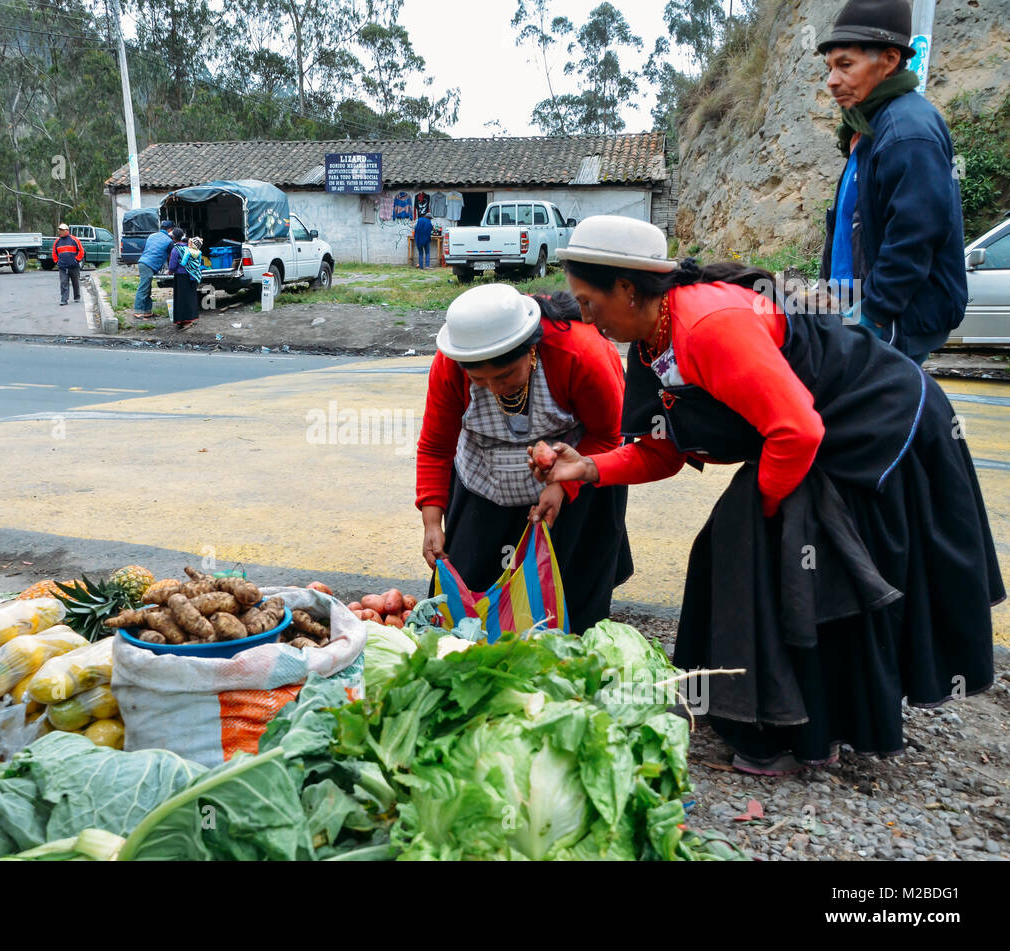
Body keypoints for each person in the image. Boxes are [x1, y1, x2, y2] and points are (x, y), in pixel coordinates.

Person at [533, 214, 1002, 775]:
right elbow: (663, 450)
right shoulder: (648, 345)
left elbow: (796, 430)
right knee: (739, 549)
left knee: (774, 554)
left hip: (879, 423)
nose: (583, 316)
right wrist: (587, 467)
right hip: (813, 432)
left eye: (588, 302)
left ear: (629, 290)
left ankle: (798, 734)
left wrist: (772, 510)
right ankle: (780, 719)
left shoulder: (708, 325)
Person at [418, 283, 633, 636]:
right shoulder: (449, 365)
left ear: (531, 352)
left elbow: (609, 436)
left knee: (567, 608)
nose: (494, 387)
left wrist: (564, 485)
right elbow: (436, 445)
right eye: (479, 379)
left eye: (505, 376)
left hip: (575, 476)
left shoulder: (579, 353)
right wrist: (431, 521)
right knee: (470, 608)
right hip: (484, 483)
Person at [817, 0, 967, 363]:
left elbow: (914, 237)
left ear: (888, 61)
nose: (832, 81)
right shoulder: (868, 127)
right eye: (829, 68)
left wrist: (874, 315)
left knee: (875, 416)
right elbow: (852, 226)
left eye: (845, 65)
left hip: (892, 318)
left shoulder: (907, 131)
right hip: (857, 306)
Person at [134, 219, 175, 319]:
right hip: (149, 265)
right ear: (170, 230)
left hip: (143, 262)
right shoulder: (169, 241)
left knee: (147, 288)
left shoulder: (152, 236)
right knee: (144, 288)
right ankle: (138, 311)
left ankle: (147, 312)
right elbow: (172, 256)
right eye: (172, 230)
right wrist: (171, 269)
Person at [171, 235, 203, 329]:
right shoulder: (198, 251)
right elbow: (199, 262)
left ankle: (183, 320)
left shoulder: (177, 249)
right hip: (193, 276)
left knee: (181, 299)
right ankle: (191, 318)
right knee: (191, 297)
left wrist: (171, 271)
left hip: (181, 276)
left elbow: (173, 265)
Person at [52, 223, 85, 306]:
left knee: (75, 282)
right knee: (63, 282)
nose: (61, 232)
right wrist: (57, 262)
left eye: (62, 230)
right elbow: (54, 253)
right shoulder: (57, 242)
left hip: (74, 266)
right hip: (62, 267)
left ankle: (77, 296)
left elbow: (81, 251)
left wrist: (76, 260)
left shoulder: (74, 240)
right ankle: (64, 299)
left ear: (67, 231)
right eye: (60, 230)